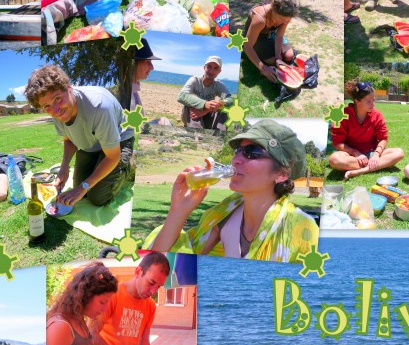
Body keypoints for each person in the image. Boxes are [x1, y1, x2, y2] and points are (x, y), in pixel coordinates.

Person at [145, 119, 320, 261]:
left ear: (281, 174)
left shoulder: (303, 229)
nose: (236, 159)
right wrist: (178, 211)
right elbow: (159, 265)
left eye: (252, 152)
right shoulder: (223, 217)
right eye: (238, 150)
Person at [25, 65, 134, 207]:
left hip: (118, 143)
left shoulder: (99, 105)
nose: (55, 110)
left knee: (97, 198)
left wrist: (83, 187)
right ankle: (97, 164)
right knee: (80, 190)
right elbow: (68, 139)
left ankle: (129, 165)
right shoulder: (56, 111)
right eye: (46, 106)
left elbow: (112, 157)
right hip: (92, 144)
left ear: (69, 88)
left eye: (57, 98)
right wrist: (64, 168)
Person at [90, 251, 170, 345]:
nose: (153, 291)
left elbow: (144, 342)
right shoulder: (112, 295)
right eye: (151, 283)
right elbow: (91, 335)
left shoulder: (150, 306)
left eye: (159, 287)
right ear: (138, 272)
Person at [328, 81, 405, 180]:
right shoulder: (342, 115)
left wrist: (376, 155)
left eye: (373, 100)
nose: (373, 104)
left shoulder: (377, 115)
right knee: (334, 159)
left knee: (399, 153)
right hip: (352, 156)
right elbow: (338, 143)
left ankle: (361, 171)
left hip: (372, 153)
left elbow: (383, 138)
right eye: (368, 101)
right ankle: (379, 165)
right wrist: (355, 153)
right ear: (357, 101)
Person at [242, 0, 298, 85]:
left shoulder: (286, 16)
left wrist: (278, 58)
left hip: (272, 34)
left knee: (289, 56)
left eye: (287, 20)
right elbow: (247, 45)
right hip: (258, 37)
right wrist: (263, 68)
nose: (284, 22)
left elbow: (279, 36)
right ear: (273, 10)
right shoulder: (260, 18)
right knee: (271, 62)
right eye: (281, 19)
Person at [178, 56, 233, 130]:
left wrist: (209, 109)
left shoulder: (218, 85)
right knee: (190, 103)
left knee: (223, 107)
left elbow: (230, 99)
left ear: (219, 71)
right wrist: (204, 104)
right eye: (209, 67)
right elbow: (182, 96)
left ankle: (219, 134)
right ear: (204, 68)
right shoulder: (195, 80)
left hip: (208, 116)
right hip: (192, 115)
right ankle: (197, 133)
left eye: (216, 68)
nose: (211, 71)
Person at [132, 39, 173, 126]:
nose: (152, 67)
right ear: (134, 63)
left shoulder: (133, 88)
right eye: (148, 62)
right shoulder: (127, 93)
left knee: (164, 120)